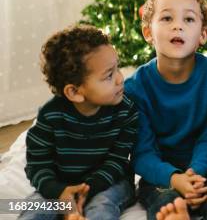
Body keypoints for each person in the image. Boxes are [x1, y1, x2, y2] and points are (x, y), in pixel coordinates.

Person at [125, 0, 207, 220]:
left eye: (189, 19)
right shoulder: (134, 87)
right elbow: (142, 153)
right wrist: (175, 179)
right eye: (166, 18)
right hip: (161, 176)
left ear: (203, 34)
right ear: (147, 32)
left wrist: (194, 174)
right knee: (166, 206)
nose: (178, 27)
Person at [21, 25, 138, 220]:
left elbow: (117, 160)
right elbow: (38, 165)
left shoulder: (126, 110)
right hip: (61, 185)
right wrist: (60, 192)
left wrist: (86, 191)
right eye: (109, 75)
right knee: (34, 210)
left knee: (101, 208)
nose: (120, 79)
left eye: (118, 68)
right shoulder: (50, 117)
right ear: (74, 92)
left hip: (109, 183)